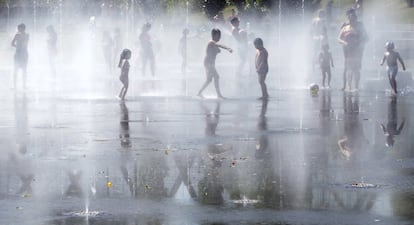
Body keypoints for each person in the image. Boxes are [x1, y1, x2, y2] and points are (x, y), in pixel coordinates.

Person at [338, 8, 368, 91]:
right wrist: (345, 43)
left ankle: (356, 87)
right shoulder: (345, 25)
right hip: (347, 50)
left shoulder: (360, 25)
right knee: (346, 67)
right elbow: (339, 38)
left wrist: (359, 44)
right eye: (349, 15)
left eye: (353, 15)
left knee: (356, 68)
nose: (351, 17)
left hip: (357, 50)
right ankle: (345, 86)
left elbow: (366, 37)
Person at [197, 29, 232, 99]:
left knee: (209, 80)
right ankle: (218, 95)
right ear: (215, 35)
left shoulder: (213, 43)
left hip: (210, 63)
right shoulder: (212, 42)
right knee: (216, 77)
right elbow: (220, 45)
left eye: (220, 36)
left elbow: (216, 49)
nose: (219, 37)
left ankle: (199, 93)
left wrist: (217, 50)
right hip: (208, 63)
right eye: (219, 36)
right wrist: (228, 48)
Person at [11, 23, 29, 89]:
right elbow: (12, 43)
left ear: (23, 28)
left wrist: (18, 46)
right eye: (18, 28)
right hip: (19, 53)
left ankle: (24, 85)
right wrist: (18, 47)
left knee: (24, 70)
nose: (18, 29)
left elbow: (25, 43)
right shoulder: (17, 35)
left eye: (19, 28)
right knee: (16, 69)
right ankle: (15, 86)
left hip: (22, 54)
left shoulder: (26, 35)